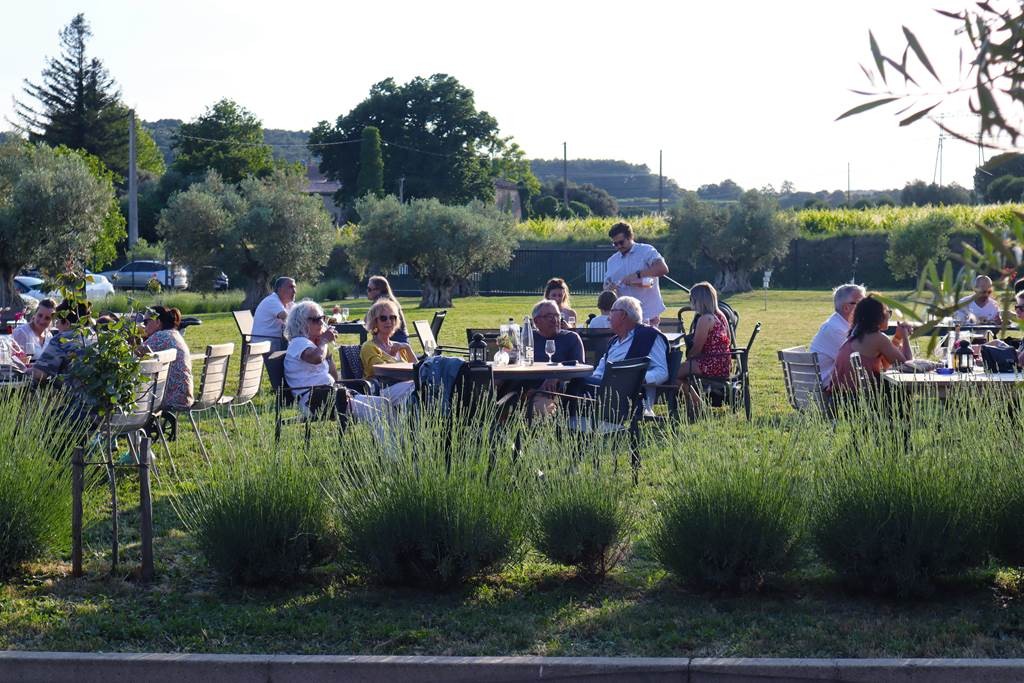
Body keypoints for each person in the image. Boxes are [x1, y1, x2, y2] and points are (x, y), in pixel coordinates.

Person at [831, 294, 914, 393]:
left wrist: (897, 338)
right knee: (904, 390)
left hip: (841, 398)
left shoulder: (857, 334)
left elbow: (885, 365)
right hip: (858, 399)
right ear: (878, 315)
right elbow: (908, 366)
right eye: (888, 311)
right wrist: (905, 336)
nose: (889, 315)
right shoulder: (877, 337)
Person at [587, 296, 669, 388]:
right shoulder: (614, 342)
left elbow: (662, 372)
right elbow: (600, 370)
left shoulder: (649, 336)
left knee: (576, 383)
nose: (608, 318)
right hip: (603, 390)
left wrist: (633, 379)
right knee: (578, 381)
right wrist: (595, 380)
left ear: (623, 315)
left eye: (612, 311)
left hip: (631, 395)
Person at [603, 221, 669, 327]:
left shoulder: (646, 250)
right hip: (624, 317)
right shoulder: (612, 261)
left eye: (621, 242)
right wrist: (609, 288)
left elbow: (662, 268)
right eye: (615, 244)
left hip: (647, 314)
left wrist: (637, 275)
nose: (618, 246)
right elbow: (606, 286)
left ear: (630, 237)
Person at [360, 298, 416, 405]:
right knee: (416, 386)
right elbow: (381, 372)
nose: (389, 321)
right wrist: (392, 358)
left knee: (426, 384)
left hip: (404, 386)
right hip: (382, 390)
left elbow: (418, 369)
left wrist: (408, 348)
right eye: (383, 318)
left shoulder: (400, 346)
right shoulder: (369, 347)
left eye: (392, 317)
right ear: (374, 322)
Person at [809, 284, 867, 387]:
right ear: (846, 308)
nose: (868, 307)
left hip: (836, 389)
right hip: (831, 394)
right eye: (862, 303)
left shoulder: (839, 325)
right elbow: (862, 363)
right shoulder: (836, 329)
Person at [142, 306, 194, 410]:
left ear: (157, 321)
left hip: (169, 399)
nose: (144, 326)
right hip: (184, 397)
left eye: (146, 322)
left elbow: (132, 355)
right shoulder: (174, 334)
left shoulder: (160, 337)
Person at [31, 299, 93, 382]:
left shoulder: (62, 339)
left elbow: (39, 374)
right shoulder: (94, 336)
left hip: (70, 392)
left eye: (58, 322)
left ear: (67, 323)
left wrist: (24, 370)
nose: (57, 326)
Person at [252, 277, 296, 351]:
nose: (294, 291)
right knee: (298, 346)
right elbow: (286, 318)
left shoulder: (288, 303)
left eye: (295, 287)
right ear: (279, 289)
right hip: (264, 343)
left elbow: (300, 316)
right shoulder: (272, 301)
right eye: (291, 287)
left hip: (277, 340)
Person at [366, 275, 409, 344]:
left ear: (378, 290)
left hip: (393, 341)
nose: (367, 291)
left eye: (369, 289)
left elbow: (369, 322)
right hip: (401, 340)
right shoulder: (390, 300)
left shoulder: (382, 304)